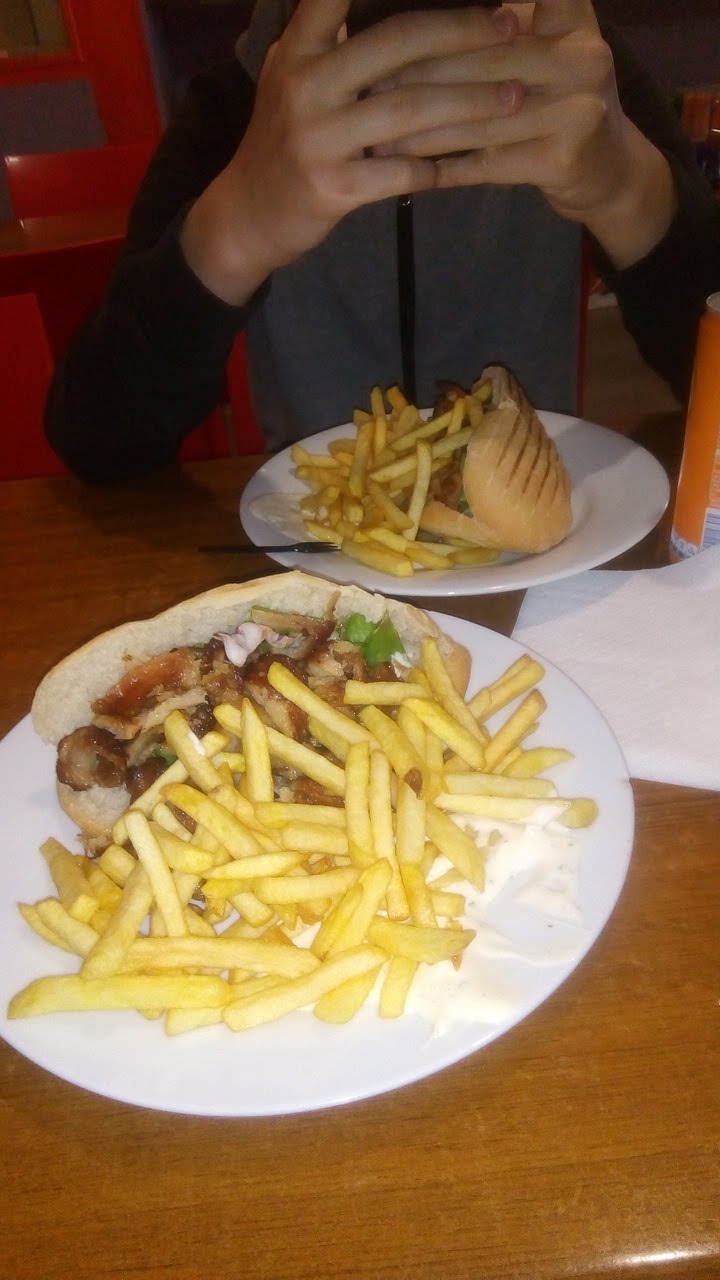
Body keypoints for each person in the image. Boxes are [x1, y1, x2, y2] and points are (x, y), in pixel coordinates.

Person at [46, 0, 720, 483]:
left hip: (541, 539)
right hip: (314, 560)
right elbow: (98, 442)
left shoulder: (583, 82)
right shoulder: (236, 106)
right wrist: (235, 233)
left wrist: (630, 196)